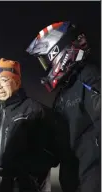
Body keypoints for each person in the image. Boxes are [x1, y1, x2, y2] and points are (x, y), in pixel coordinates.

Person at [26, 21, 101, 192]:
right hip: (74, 181)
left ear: (58, 52)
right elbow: (58, 143)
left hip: (93, 179)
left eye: (46, 60)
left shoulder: (89, 77)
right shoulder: (64, 94)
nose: (47, 67)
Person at [0, 58, 62, 192]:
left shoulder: (36, 112)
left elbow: (55, 152)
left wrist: (27, 172)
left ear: (17, 81)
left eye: (4, 80)